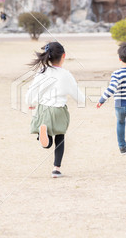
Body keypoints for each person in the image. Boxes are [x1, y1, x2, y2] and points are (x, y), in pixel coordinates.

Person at [25, 42, 85, 178]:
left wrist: (30, 103)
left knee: (47, 141)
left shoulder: (41, 73)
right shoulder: (66, 74)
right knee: (60, 137)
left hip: (43, 109)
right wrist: (83, 100)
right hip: (59, 110)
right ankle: (56, 169)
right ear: (63, 56)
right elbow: (77, 94)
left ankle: (43, 135)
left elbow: (31, 91)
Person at [96, 43, 126, 158]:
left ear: (119, 59)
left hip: (119, 105)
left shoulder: (117, 74)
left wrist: (102, 99)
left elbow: (112, 88)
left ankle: (122, 147)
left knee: (120, 123)